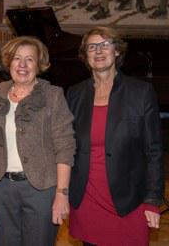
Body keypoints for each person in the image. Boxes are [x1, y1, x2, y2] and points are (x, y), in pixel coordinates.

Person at [67, 26, 164, 246]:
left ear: (117, 51)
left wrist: (152, 199)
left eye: (105, 44)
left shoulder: (141, 92)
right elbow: (66, 147)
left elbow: (154, 151)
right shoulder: (74, 94)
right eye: (92, 46)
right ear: (85, 55)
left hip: (129, 199)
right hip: (87, 198)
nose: (99, 51)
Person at [0, 36, 76, 246]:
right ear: (9, 62)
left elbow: (65, 146)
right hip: (2, 187)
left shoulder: (53, 95)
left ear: (39, 65)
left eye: (29, 60)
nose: (22, 65)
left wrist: (62, 193)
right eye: (17, 58)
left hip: (41, 189)